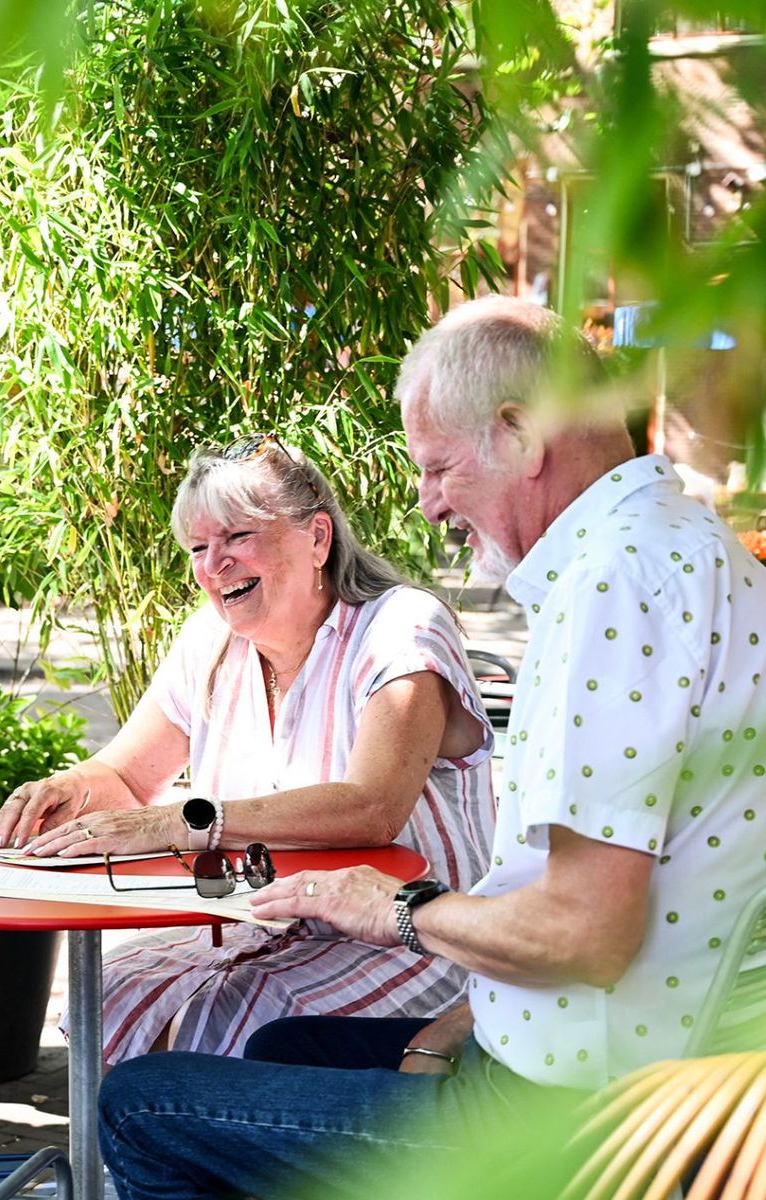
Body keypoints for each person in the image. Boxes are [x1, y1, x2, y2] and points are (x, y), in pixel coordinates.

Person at [95, 296, 766, 1200]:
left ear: (522, 435)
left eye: (441, 467)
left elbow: (585, 931)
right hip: (616, 1068)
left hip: (578, 1119)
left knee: (141, 1105)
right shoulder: (679, 544)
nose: (428, 502)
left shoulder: (616, 581)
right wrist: (465, 1017)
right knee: (279, 1050)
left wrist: (400, 908)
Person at [0, 434, 495, 1062]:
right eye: (199, 548)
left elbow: (372, 807)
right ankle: (135, 1164)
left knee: (222, 1024)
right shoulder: (211, 641)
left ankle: (203, 1158)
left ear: (317, 538)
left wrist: (187, 821)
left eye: (237, 538)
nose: (213, 565)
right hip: (264, 932)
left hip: (409, 938)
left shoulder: (400, 628)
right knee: (111, 993)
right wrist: (67, 789)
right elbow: (125, 775)